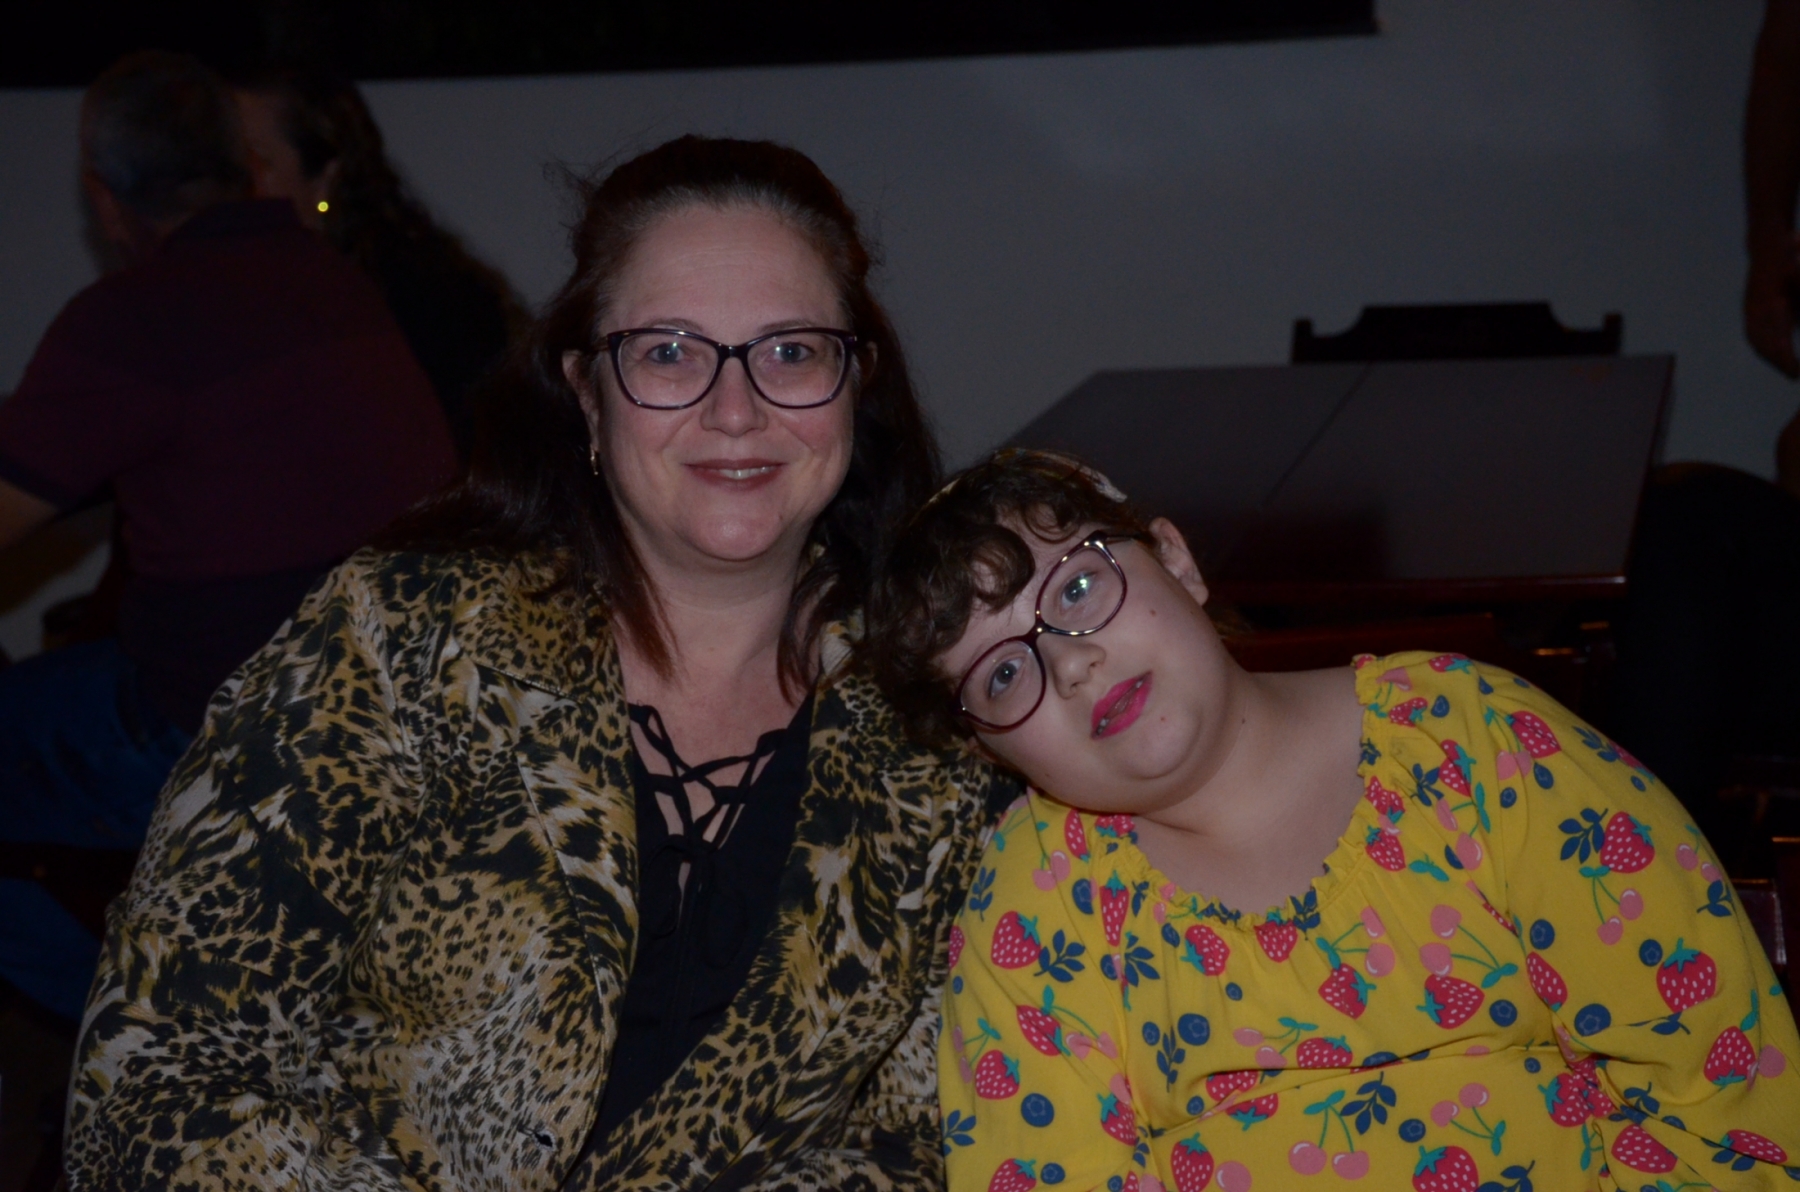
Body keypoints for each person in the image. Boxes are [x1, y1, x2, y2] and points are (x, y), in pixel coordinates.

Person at [64, 135, 1013, 1191]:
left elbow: (929, 1132)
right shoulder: (400, 638)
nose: (736, 409)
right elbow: (156, 1076)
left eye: (790, 351)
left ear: (854, 382)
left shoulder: (937, 721)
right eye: (668, 352)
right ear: (587, 392)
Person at [864, 449, 1800, 1192]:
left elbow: (1717, 1086)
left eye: (1076, 589)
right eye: (1003, 675)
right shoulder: (1038, 907)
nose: (1069, 666)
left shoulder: (1473, 745)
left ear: (1178, 562)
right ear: (992, 753)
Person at [0, 51, 455, 1023]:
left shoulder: (134, 318)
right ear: (243, 167)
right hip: (395, 712)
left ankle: (147, 1038)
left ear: (104, 196)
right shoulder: (333, 283)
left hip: (229, 728)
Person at [233, 70, 524, 459]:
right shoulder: (224, 294)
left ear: (325, 177)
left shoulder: (421, 299)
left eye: (256, 162)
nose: (235, 186)